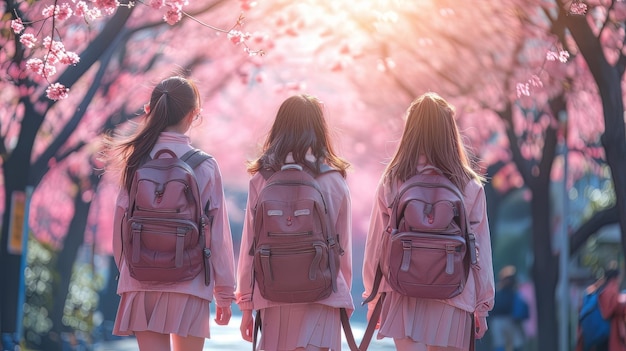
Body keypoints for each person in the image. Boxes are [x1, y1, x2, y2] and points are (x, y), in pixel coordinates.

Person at [105, 76, 236, 351]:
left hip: (141, 281)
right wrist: (224, 293)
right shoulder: (205, 166)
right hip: (189, 280)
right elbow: (219, 235)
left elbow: (120, 227)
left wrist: (132, 272)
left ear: (151, 110)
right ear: (192, 115)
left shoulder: (136, 160)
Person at [362, 92, 495, 351]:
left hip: (403, 292)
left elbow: (377, 245)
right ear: (450, 132)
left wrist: (373, 297)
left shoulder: (393, 180)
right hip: (454, 293)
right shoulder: (468, 185)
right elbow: (480, 249)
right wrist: (482, 305)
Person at [235, 94, 354, 351]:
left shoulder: (262, 179)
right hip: (322, 295)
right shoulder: (334, 180)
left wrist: (247, 305)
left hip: (272, 293)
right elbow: (342, 247)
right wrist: (342, 297)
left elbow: (249, 247)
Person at [576, 261, 626, 351]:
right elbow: (608, 311)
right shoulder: (611, 289)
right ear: (616, 277)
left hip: (598, 337)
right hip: (607, 337)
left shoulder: (598, 289)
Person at [489, 266, 527, 351]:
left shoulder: (514, 292)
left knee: (515, 343)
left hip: (509, 319)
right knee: (501, 344)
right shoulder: (499, 292)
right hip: (500, 320)